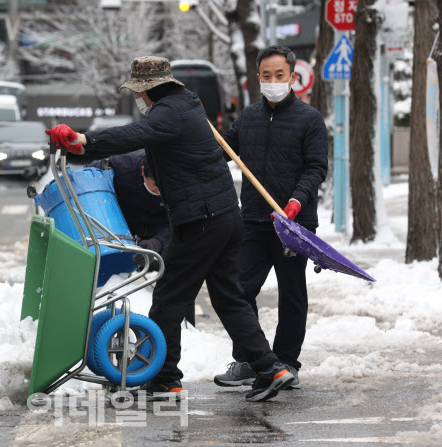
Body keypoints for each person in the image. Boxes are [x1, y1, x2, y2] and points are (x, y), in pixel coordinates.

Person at [46, 56, 295, 402]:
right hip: (223, 216)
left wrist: (84, 141)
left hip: (202, 220)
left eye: (138, 92)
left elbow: (134, 133)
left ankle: (165, 378)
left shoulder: (170, 112)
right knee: (228, 298)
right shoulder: (187, 105)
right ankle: (271, 367)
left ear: (149, 90)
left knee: (168, 299)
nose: (139, 99)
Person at [214, 45, 328, 390]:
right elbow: (222, 152)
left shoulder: (310, 120)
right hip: (253, 219)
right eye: (266, 75)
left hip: (294, 225)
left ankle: (287, 362)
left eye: (280, 75)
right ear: (258, 78)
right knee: (240, 289)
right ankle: (252, 359)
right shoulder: (248, 118)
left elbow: (316, 168)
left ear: (292, 77)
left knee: (291, 293)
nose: (273, 81)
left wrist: (296, 201)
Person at [86, 150, 170, 271]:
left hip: (160, 227)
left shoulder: (179, 180)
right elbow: (87, 176)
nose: (159, 191)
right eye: (156, 187)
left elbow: (180, 218)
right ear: (142, 172)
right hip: (121, 221)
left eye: (163, 188)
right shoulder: (123, 165)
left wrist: (157, 242)